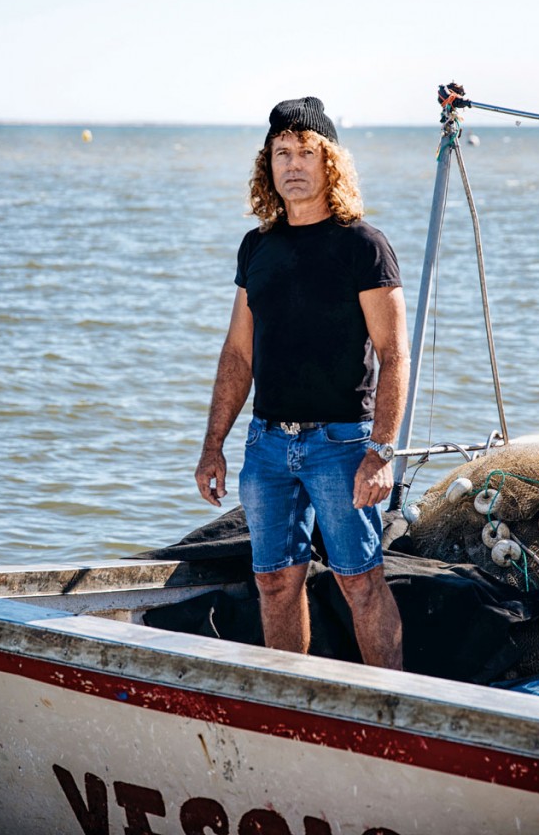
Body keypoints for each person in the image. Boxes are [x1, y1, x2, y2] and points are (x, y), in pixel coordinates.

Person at [195, 96, 410, 670]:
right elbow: (238, 354)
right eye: (281, 153)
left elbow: (394, 355)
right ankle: (292, 699)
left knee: (360, 582)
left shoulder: (363, 246)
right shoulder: (257, 246)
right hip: (267, 445)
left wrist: (381, 452)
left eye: (305, 153)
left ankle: (392, 703)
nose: (292, 165)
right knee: (274, 582)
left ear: (329, 163)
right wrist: (213, 445)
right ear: (268, 164)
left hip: (342, 445)